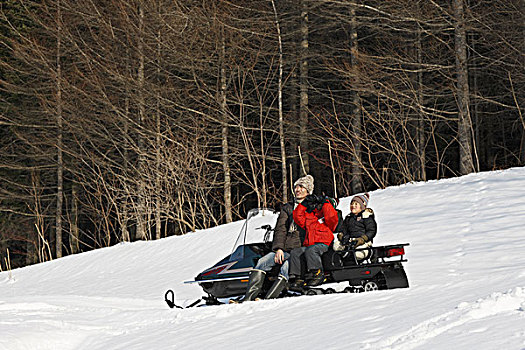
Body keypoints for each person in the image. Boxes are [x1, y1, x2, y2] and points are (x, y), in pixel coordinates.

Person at [234, 175, 313, 303]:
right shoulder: (287, 208)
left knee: (285, 268)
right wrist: (279, 249)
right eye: (296, 187)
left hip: (300, 250)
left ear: (308, 191)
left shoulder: (312, 207)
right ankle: (248, 298)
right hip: (285, 248)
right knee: (262, 263)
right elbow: (280, 229)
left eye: (302, 187)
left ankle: (268, 299)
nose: (298, 189)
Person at [288, 189, 339, 288]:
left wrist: (326, 202)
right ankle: (299, 277)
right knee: (296, 252)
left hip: (324, 244)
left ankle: (318, 273)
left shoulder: (330, 217)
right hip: (310, 245)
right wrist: (304, 204)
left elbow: (331, 216)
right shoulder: (311, 216)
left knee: (312, 250)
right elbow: (297, 217)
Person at [337, 193, 377, 260]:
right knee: (336, 247)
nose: (353, 206)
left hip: (363, 243)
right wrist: (341, 235)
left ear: (362, 206)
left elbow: (371, 230)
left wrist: (363, 239)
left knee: (358, 254)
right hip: (350, 242)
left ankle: (371, 253)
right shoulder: (349, 218)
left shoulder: (366, 217)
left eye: (356, 204)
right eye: (352, 204)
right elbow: (344, 228)